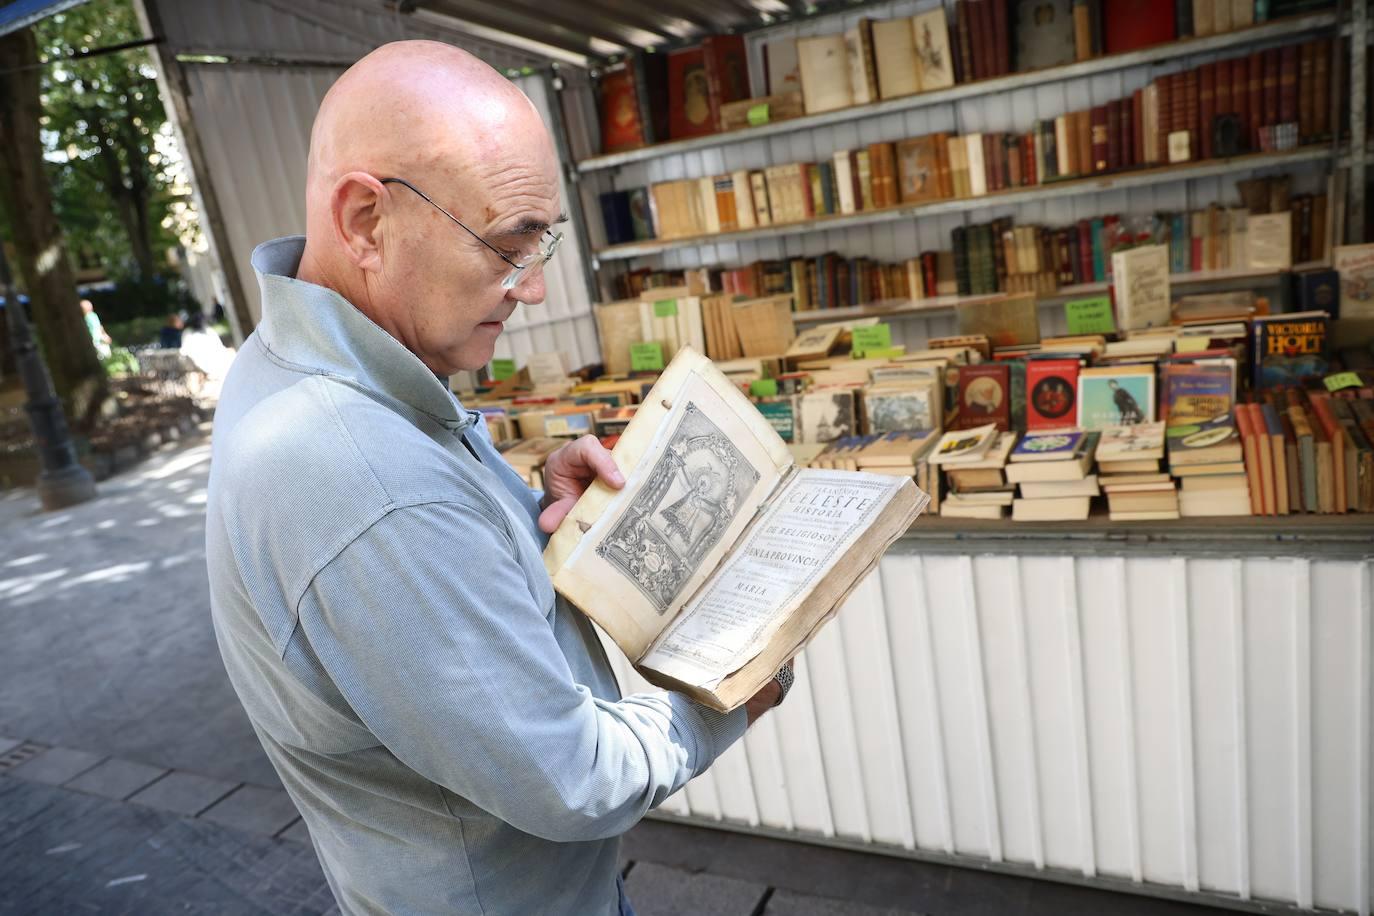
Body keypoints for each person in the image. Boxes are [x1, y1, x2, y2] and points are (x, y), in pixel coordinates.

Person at [204, 42, 789, 916]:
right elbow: (573, 780)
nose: (535, 289)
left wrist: (530, 507)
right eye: (507, 243)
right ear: (364, 221)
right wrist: (733, 697)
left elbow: (431, 564)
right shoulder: (364, 477)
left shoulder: (301, 366)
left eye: (542, 240)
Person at [178, 310, 234, 379]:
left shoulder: (190, 333)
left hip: (206, 364)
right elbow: (219, 346)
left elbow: (183, 351)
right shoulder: (206, 331)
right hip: (208, 364)